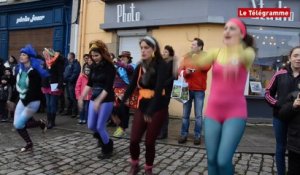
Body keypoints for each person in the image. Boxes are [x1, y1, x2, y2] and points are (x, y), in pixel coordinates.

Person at [193, 18, 255, 175]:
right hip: (213, 112)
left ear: (242, 34)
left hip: (235, 113)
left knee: (223, 160)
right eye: (225, 28)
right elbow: (199, 62)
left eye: (232, 28)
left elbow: (244, 57)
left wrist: (235, 54)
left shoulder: (248, 52)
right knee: (212, 159)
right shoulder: (216, 52)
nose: (227, 31)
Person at [122, 36, 168, 175]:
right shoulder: (140, 65)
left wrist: (151, 110)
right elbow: (131, 86)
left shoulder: (162, 65)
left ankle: (148, 168)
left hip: (157, 107)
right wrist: (122, 101)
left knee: (149, 142)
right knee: (134, 139)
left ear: (154, 49)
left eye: (146, 48)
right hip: (142, 107)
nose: (143, 50)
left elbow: (160, 88)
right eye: (141, 48)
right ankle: (135, 164)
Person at [265, 46, 300, 175]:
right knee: (280, 148)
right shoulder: (280, 74)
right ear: (290, 58)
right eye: (296, 55)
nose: (298, 58)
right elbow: (268, 93)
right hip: (280, 118)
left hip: (297, 120)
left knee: (295, 149)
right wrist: (279, 104)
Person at [78, 40, 116, 159]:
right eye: (92, 56)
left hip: (106, 99)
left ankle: (108, 148)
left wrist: (99, 100)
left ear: (102, 54)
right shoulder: (93, 66)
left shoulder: (110, 67)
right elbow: (89, 83)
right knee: (91, 126)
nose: (94, 58)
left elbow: (108, 86)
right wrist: (81, 97)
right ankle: (102, 139)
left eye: (96, 55)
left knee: (100, 126)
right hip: (94, 98)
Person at [14, 44, 49, 152]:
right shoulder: (20, 71)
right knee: (16, 124)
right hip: (23, 99)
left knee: (20, 124)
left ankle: (40, 123)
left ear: (29, 57)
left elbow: (34, 92)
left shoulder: (34, 72)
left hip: (32, 102)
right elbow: (19, 86)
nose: (21, 56)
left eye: (24, 55)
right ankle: (29, 142)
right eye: (20, 55)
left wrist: (23, 101)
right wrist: (11, 100)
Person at [178, 38, 211, 145]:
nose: (191, 46)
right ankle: (183, 134)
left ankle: (197, 136)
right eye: (191, 45)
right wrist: (186, 72)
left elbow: (206, 68)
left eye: (193, 45)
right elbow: (180, 70)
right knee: (185, 115)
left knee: (198, 116)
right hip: (186, 88)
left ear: (200, 47)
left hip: (199, 90)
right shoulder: (187, 56)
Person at [112, 51, 136, 137]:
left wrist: (117, 62)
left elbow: (128, 68)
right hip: (116, 91)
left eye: (124, 57)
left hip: (125, 91)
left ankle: (122, 128)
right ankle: (121, 127)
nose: (122, 58)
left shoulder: (132, 66)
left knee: (124, 111)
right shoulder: (118, 67)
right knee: (113, 110)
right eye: (121, 57)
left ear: (129, 58)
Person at [41, 48, 65, 129]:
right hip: (46, 85)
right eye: (44, 54)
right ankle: (49, 120)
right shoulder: (45, 62)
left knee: (52, 104)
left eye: (46, 54)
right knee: (48, 104)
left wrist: (59, 85)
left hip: (54, 84)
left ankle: (52, 121)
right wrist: (42, 84)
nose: (45, 56)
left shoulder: (57, 63)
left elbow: (60, 75)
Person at [157, 45, 177, 139]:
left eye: (166, 52)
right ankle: (160, 131)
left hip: (167, 89)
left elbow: (174, 76)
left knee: (164, 110)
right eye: (163, 52)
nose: (163, 53)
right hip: (160, 90)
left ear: (170, 54)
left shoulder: (172, 63)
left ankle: (164, 132)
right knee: (160, 110)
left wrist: (163, 84)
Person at [63, 52, 81, 117]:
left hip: (72, 83)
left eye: (68, 55)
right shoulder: (68, 63)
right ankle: (69, 111)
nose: (67, 57)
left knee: (73, 97)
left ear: (71, 56)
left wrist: (70, 79)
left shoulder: (76, 64)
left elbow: (75, 73)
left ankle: (74, 112)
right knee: (68, 97)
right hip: (67, 82)